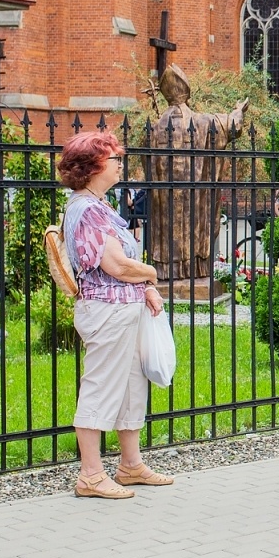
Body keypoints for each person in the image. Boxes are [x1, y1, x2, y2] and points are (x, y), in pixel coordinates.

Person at [57, 131, 175, 499]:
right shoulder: (88, 209)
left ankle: (130, 466)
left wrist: (147, 289)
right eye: (114, 158)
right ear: (92, 167)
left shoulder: (99, 204)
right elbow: (116, 266)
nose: (121, 163)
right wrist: (152, 274)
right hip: (107, 310)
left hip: (122, 307)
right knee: (102, 385)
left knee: (129, 386)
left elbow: (123, 269)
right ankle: (91, 476)